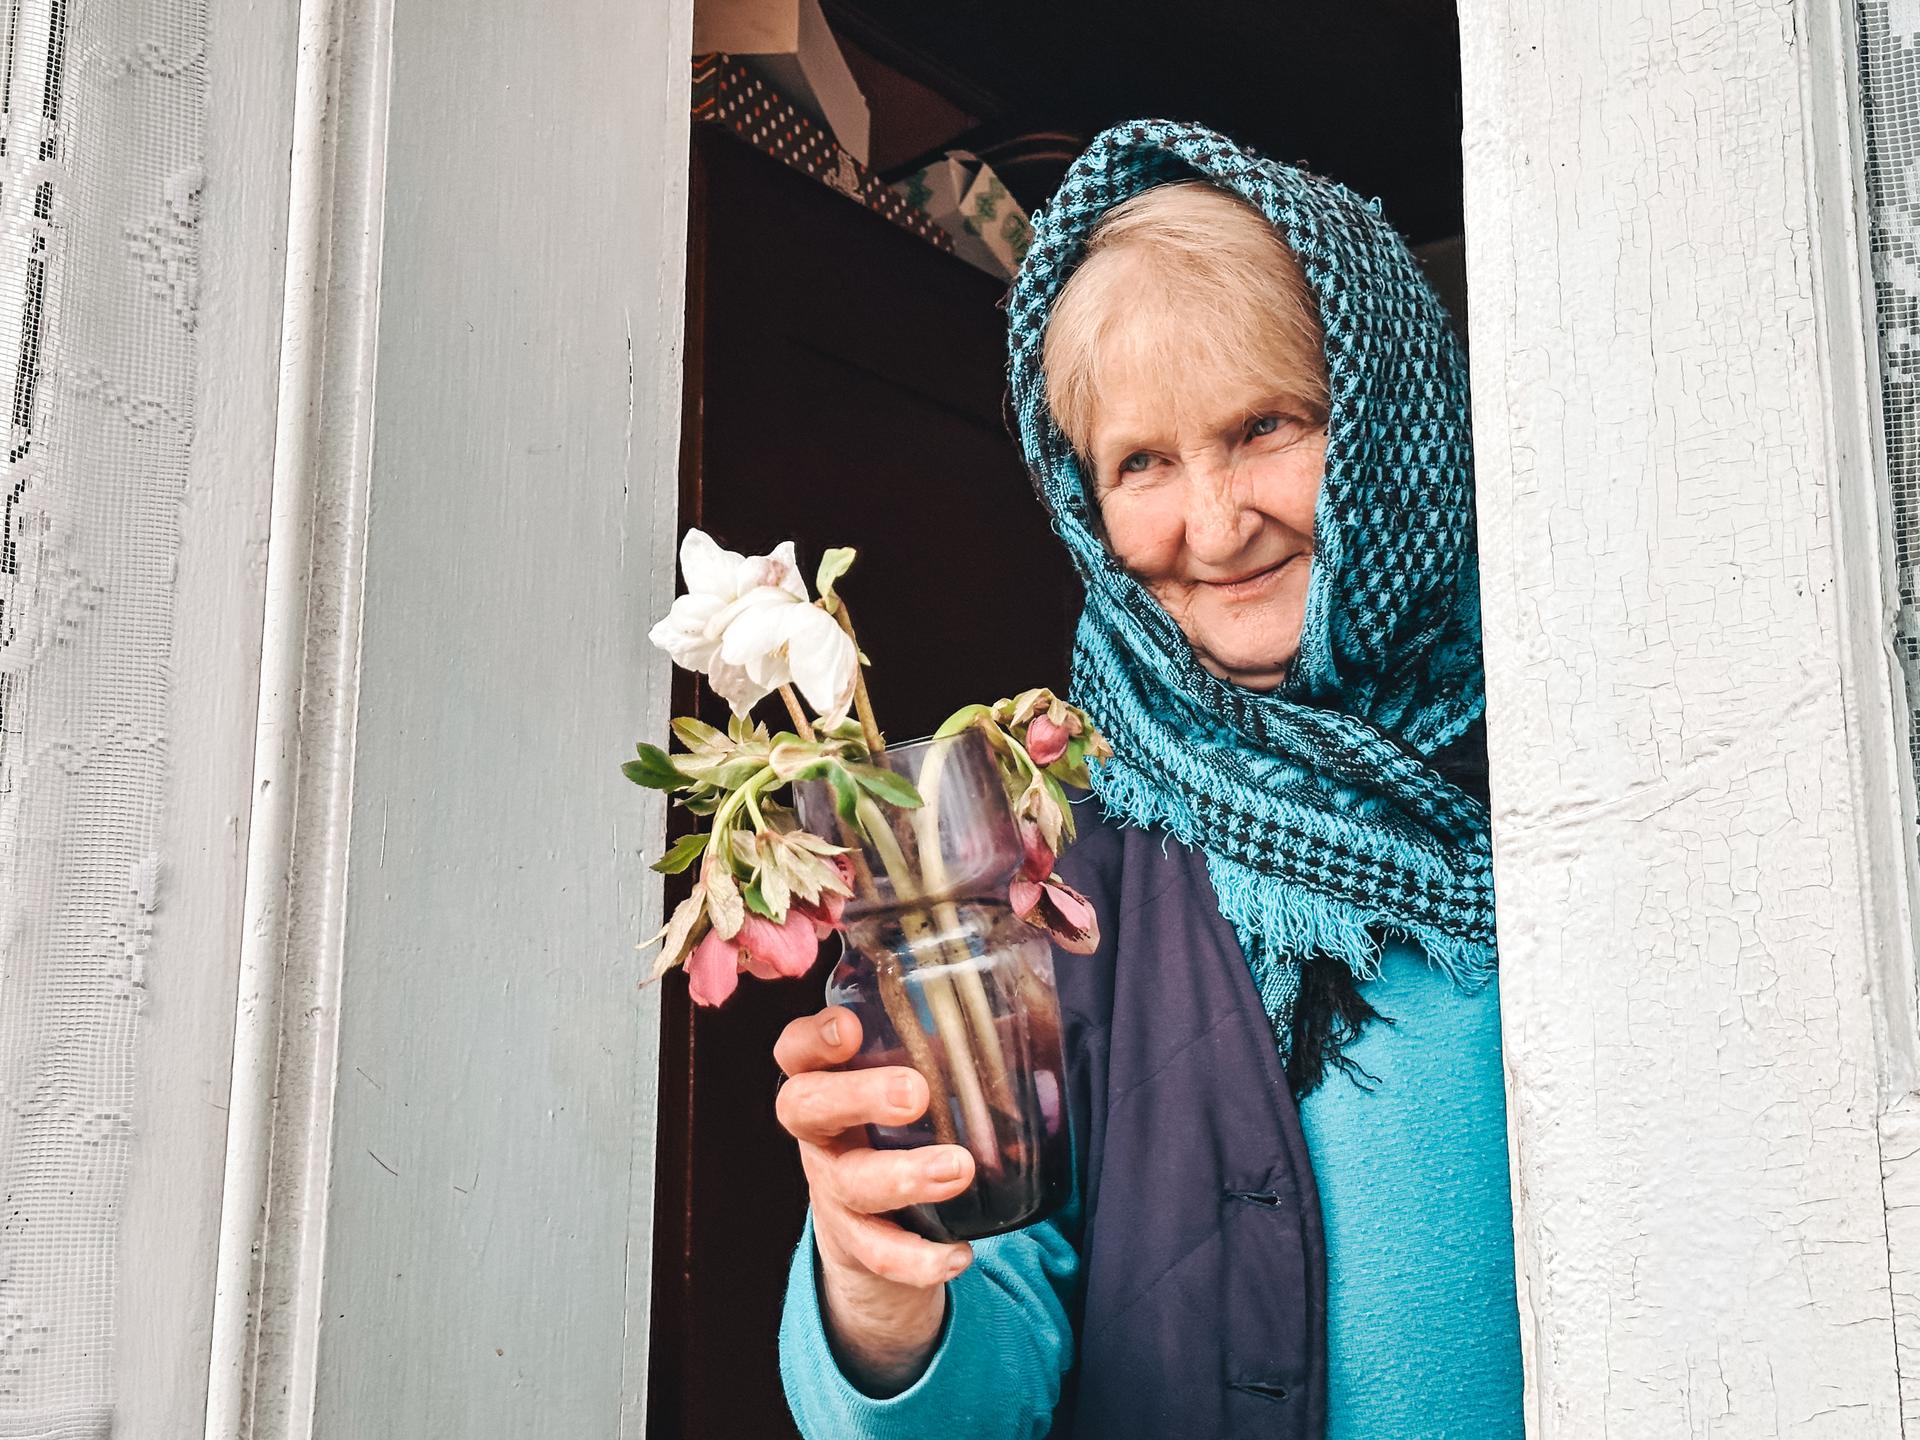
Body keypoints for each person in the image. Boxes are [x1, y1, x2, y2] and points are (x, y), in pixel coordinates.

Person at [772, 119, 1523, 1440]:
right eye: (1144, 464)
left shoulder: (1596, 759)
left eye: (1266, 426)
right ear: (1081, 498)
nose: (1217, 525)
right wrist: (880, 1299)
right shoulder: (1051, 857)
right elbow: (975, 1377)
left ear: (1388, 419)